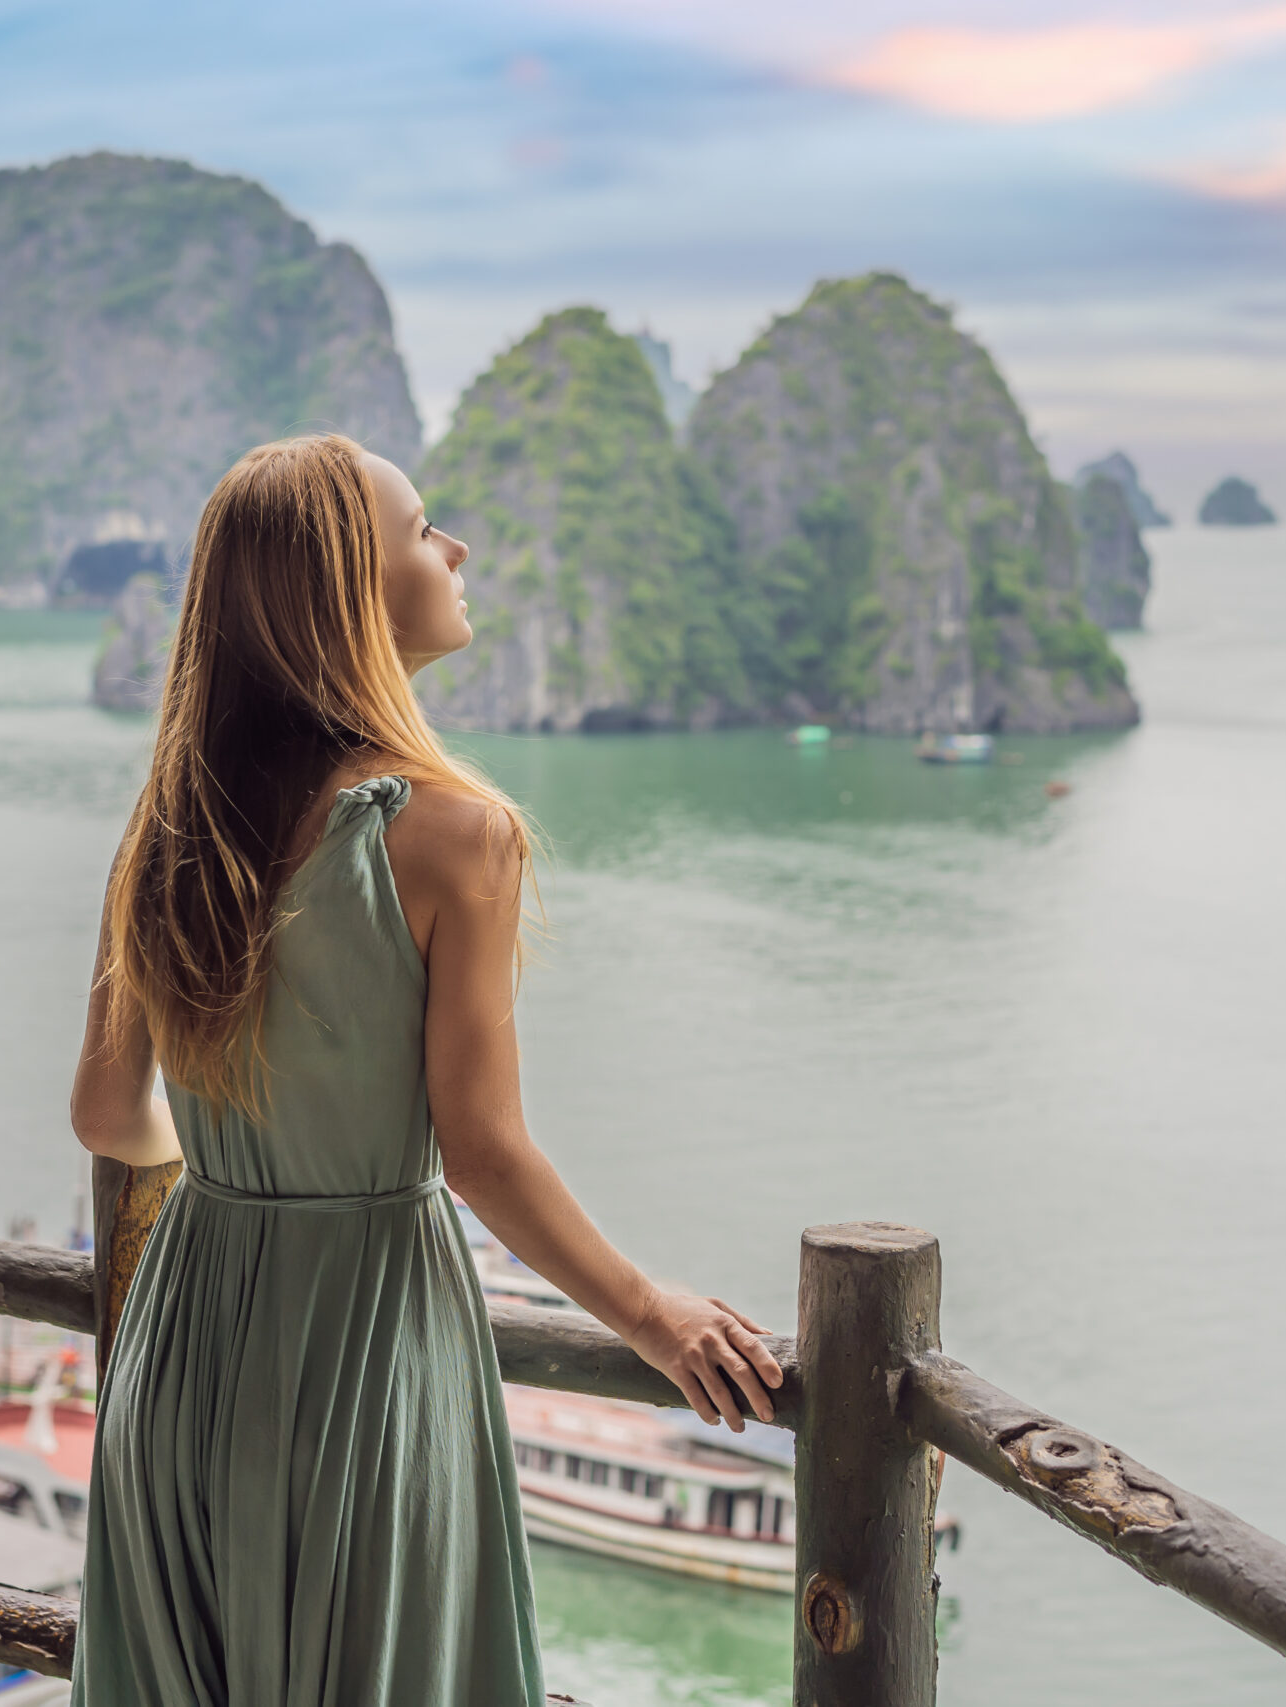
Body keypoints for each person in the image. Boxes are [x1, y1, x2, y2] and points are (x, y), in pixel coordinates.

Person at [67, 434, 783, 1705]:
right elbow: (482, 1152)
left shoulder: (172, 821)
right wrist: (651, 1313)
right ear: (347, 587)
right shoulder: (457, 833)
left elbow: (107, 1112)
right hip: (363, 1355)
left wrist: (247, 1185)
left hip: (180, 1356)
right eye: (421, 530)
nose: (455, 549)